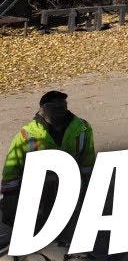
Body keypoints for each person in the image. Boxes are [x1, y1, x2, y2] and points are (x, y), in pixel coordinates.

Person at [1, 90, 95, 236]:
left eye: (62, 105)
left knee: (66, 233)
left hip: (68, 192)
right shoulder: (27, 134)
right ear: (42, 110)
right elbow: (11, 169)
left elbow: (87, 161)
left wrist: (88, 189)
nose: (60, 109)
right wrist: (10, 198)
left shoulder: (82, 128)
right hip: (36, 197)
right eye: (53, 106)